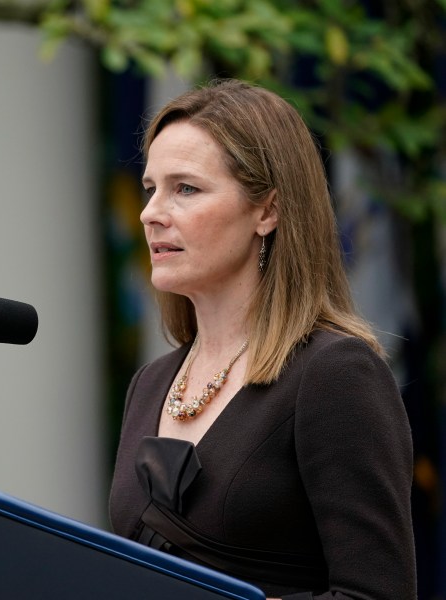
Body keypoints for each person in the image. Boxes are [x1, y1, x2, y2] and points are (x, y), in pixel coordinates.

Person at [109, 79, 415, 599]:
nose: (150, 213)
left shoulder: (334, 373)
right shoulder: (151, 383)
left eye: (185, 188)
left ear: (267, 211)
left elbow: (378, 594)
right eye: (150, 188)